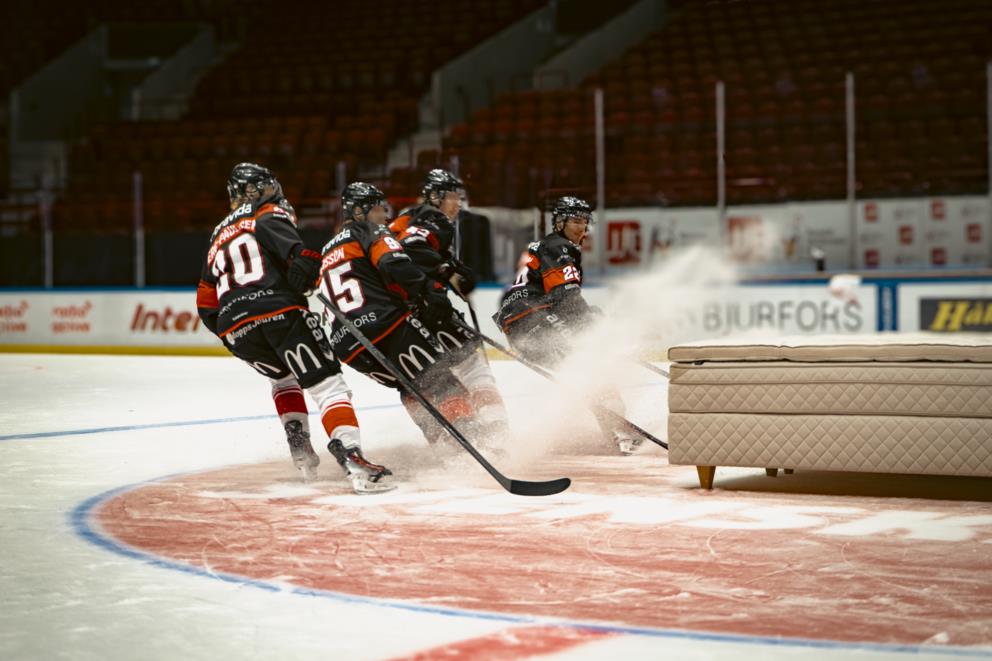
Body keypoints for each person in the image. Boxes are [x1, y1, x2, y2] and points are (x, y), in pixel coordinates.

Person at [195, 162, 394, 493]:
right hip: (280, 312)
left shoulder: (216, 236)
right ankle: (353, 459)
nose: (272, 191)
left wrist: (231, 331)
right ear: (252, 191)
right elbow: (297, 259)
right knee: (328, 385)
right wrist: (307, 269)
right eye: (266, 186)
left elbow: (205, 302)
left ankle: (301, 452)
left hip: (235, 327)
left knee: (283, 378)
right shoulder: (266, 212)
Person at [317, 182, 478, 444]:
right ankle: (474, 438)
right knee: (440, 379)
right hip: (385, 325)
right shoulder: (369, 230)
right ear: (359, 211)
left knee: (409, 386)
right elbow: (392, 262)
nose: (384, 216)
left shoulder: (326, 250)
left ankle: (441, 442)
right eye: (378, 209)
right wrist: (428, 290)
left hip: (347, 346)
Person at [493, 195, 642, 454]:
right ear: (559, 222)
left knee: (585, 372)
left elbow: (557, 297)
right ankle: (620, 434)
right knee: (594, 368)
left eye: (584, 221)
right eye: (575, 221)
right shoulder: (560, 247)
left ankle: (614, 431)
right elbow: (565, 295)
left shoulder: (547, 246)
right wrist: (593, 327)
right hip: (534, 319)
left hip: (522, 325)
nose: (581, 227)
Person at [389, 169, 511, 442]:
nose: (458, 203)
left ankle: (443, 439)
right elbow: (412, 247)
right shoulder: (434, 217)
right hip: (426, 306)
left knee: (418, 380)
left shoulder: (405, 218)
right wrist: (446, 271)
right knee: (472, 365)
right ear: (435, 197)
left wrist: (451, 266)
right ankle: (498, 431)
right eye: (453, 197)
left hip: (398, 314)